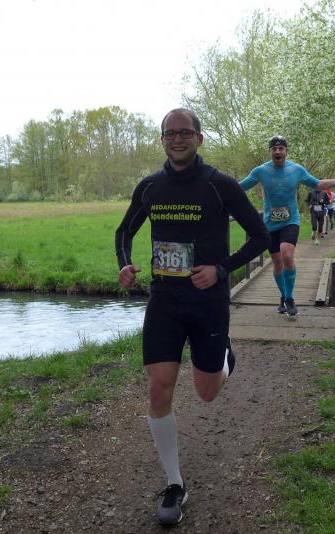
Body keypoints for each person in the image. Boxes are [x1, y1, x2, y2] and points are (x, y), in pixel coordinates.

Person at [114, 108, 268, 526]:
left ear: (199, 138)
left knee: (206, 392)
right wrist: (124, 264)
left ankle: (225, 359)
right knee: (158, 387)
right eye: (170, 133)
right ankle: (175, 484)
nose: (177, 139)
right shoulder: (150, 187)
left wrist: (221, 269)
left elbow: (260, 235)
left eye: (185, 133)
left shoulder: (220, 185)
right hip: (165, 300)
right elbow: (124, 232)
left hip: (208, 301)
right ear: (162, 139)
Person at [240, 135, 335, 316]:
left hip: (290, 220)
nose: (277, 151)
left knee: (286, 254)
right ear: (270, 152)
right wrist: (216, 188)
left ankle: (290, 298)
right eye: (274, 149)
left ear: (286, 151)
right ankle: (283, 296)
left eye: (281, 148)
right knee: (277, 263)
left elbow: (317, 184)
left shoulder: (296, 170)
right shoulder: (260, 171)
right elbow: (240, 186)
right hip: (270, 224)